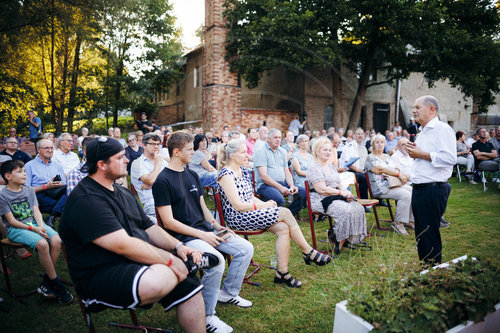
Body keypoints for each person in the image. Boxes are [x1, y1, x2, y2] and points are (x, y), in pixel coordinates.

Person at [59, 137, 207, 333]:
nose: (127, 159)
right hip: (100, 272)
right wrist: (171, 261)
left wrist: (179, 247)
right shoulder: (85, 199)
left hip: (135, 261)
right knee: (160, 280)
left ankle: (187, 267)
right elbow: (123, 245)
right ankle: (189, 265)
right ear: (102, 165)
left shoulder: (122, 192)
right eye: (120, 157)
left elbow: (149, 227)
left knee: (191, 288)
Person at [154, 132, 253, 333]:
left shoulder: (191, 174)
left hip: (206, 230)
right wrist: (202, 235)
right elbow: (168, 222)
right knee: (217, 260)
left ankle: (228, 293)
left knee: (245, 248)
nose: (195, 152)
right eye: (190, 149)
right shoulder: (162, 181)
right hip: (183, 238)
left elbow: (202, 207)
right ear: (176, 152)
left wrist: (216, 226)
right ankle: (207, 316)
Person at [218, 139, 331, 288]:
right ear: (232, 155)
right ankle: (308, 251)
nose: (247, 155)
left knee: (283, 228)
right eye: (243, 152)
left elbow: (250, 197)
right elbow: (238, 205)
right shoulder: (226, 174)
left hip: (250, 213)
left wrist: (265, 206)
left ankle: (282, 273)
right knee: (284, 212)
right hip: (238, 218)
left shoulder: (243, 170)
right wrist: (264, 205)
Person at [0, 160, 73, 304]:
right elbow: (11, 221)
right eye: (20, 172)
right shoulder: (3, 195)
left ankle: (47, 282)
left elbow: (36, 211)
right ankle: (56, 284)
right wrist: (34, 229)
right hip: (16, 229)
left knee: (56, 239)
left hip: (34, 223)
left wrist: (41, 225)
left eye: (25, 171)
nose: (24, 174)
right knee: (42, 244)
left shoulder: (28, 189)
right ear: (8, 176)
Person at [406, 95, 456, 265]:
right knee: (421, 233)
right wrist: (415, 154)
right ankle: (426, 268)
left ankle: (433, 272)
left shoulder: (442, 129)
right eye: (414, 107)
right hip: (419, 188)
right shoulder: (422, 131)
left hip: (432, 189)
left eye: (418, 107)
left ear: (431, 109)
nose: (414, 110)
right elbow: (424, 158)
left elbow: (450, 158)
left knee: (430, 233)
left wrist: (421, 154)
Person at [306, 138, 367, 254]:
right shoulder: (314, 167)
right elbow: (322, 189)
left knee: (357, 207)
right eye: (325, 150)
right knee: (344, 209)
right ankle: (339, 240)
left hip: (334, 196)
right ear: (317, 151)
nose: (328, 152)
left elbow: (339, 184)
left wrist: (346, 192)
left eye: (329, 150)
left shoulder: (331, 166)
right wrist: (340, 193)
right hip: (320, 199)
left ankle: (350, 238)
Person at [365, 134, 414, 235]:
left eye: (382, 142)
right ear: (372, 144)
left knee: (412, 190)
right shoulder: (370, 158)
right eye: (377, 142)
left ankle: (408, 220)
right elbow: (380, 170)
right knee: (405, 195)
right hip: (380, 188)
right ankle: (398, 223)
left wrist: (396, 170)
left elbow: (395, 167)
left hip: (392, 184)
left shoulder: (387, 156)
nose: (380, 144)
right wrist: (398, 174)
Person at [253, 129, 302, 217]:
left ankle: (287, 215)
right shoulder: (261, 151)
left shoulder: (282, 151)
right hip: (264, 185)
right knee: (279, 199)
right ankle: (273, 218)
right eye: (275, 137)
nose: (278, 140)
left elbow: (286, 171)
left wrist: (291, 185)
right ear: (268, 139)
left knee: (303, 193)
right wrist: (281, 188)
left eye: (279, 137)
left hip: (282, 184)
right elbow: (263, 176)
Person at [25, 139, 67, 228]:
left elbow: (64, 183)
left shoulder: (57, 165)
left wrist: (59, 184)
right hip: (40, 195)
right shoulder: (29, 166)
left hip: (57, 192)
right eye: (46, 148)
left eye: (52, 148)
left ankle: (52, 217)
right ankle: (56, 214)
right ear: (38, 149)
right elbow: (25, 190)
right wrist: (45, 186)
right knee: (70, 205)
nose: (50, 150)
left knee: (71, 191)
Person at [131, 133, 167, 224]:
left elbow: (173, 179)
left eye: (158, 144)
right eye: (152, 144)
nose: (156, 147)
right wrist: (158, 163)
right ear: (143, 145)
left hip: (169, 199)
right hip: (152, 203)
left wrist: (154, 182)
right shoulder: (137, 163)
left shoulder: (164, 162)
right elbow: (151, 180)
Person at [339, 128, 369, 204]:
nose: (360, 135)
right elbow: (349, 165)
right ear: (354, 136)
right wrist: (362, 171)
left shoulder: (363, 148)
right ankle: (364, 203)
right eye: (358, 134)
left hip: (358, 171)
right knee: (363, 178)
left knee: (371, 176)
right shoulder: (349, 147)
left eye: (362, 134)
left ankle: (378, 200)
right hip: (347, 171)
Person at [291, 134, 313, 211]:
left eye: (306, 141)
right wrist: (312, 174)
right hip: (300, 181)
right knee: (310, 190)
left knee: (322, 188)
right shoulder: (295, 156)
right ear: (298, 143)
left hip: (311, 179)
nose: (304, 143)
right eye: (302, 141)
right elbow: (299, 172)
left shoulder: (310, 156)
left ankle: (317, 214)